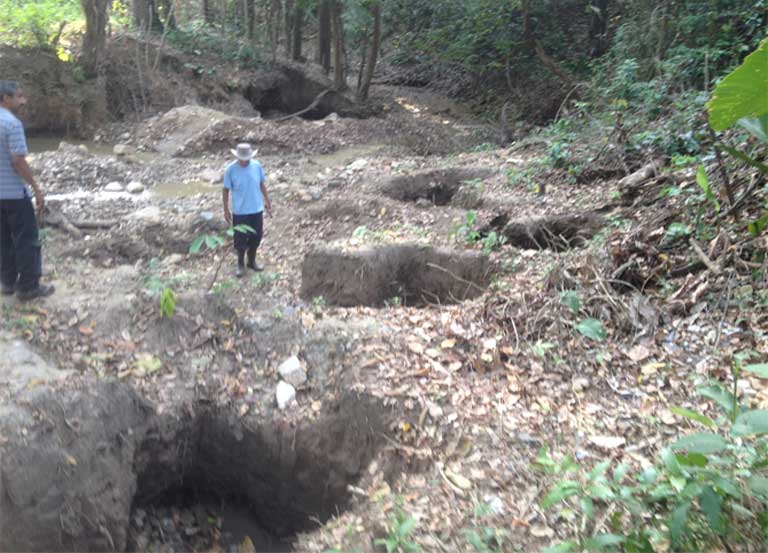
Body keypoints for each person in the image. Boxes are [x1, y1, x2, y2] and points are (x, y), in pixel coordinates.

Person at [0, 80, 54, 301]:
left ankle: (8, 282)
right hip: (14, 193)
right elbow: (18, 161)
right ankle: (29, 287)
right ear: (5, 98)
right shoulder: (12, 124)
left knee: (3, 238)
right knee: (27, 238)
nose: (24, 101)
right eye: (19, 96)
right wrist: (37, 188)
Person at [223, 143, 272, 277]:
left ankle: (251, 261)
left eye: (247, 158)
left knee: (257, 236)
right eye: (243, 159)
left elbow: (261, 183)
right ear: (237, 157)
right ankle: (240, 264)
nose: (245, 161)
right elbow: (226, 190)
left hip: (256, 209)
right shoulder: (230, 170)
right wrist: (226, 209)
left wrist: (267, 200)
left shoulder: (256, 166)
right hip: (240, 212)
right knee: (240, 239)